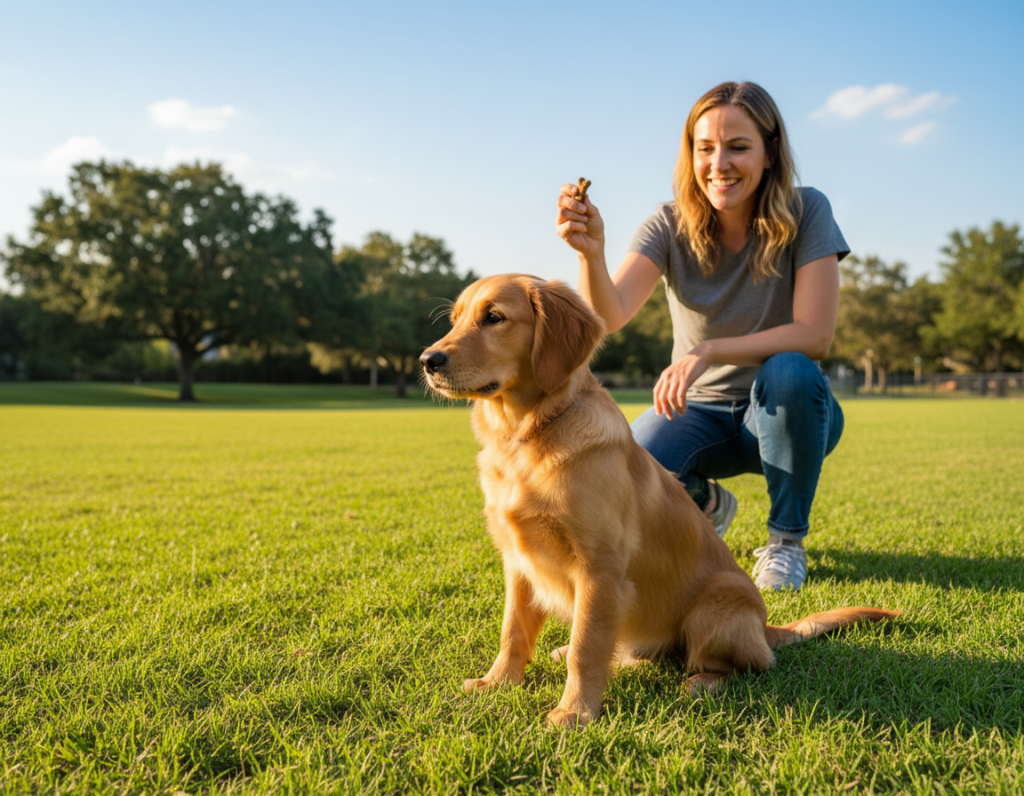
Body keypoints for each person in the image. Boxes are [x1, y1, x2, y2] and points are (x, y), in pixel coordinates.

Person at [555, 81, 848, 591]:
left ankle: (785, 543)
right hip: (700, 413)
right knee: (632, 461)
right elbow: (611, 313)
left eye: (738, 147)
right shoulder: (667, 224)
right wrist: (590, 254)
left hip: (787, 410)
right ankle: (710, 504)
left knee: (791, 369)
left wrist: (708, 349)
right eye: (705, 147)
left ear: (770, 152)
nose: (720, 164)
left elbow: (814, 336)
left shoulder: (809, 211)